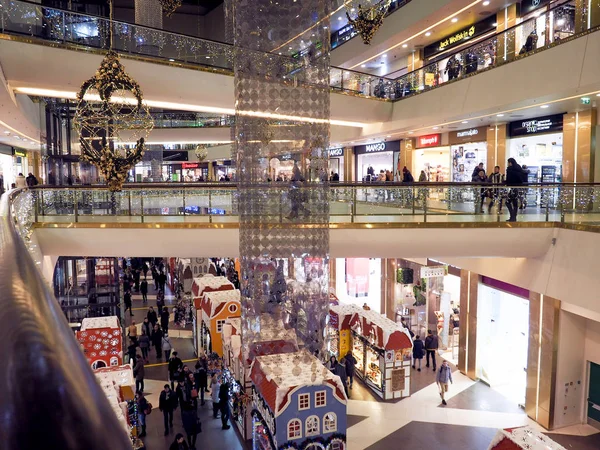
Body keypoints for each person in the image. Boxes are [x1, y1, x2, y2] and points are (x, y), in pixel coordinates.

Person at [505, 157, 525, 222]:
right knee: (515, 203)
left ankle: (512, 216)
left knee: (507, 202)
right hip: (519, 188)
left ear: (510, 163)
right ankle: (513, 217)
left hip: (513, 188)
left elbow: (509, 179)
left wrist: (505, 182)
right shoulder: (518, 168)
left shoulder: (510, 169)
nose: (508, 164)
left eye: (508, 162)